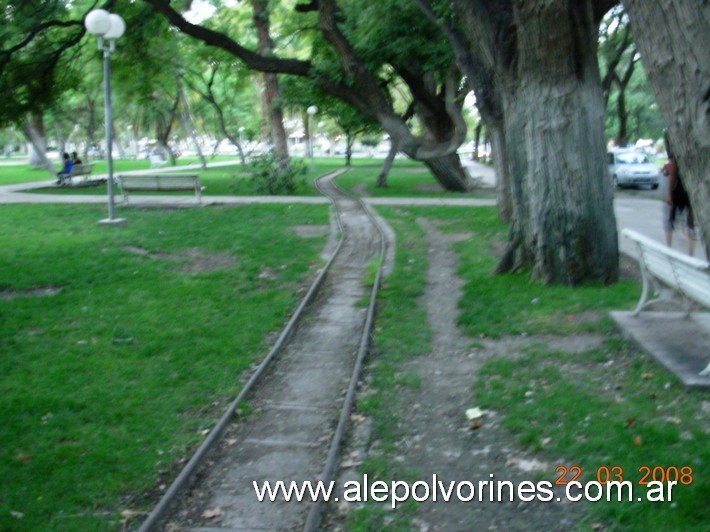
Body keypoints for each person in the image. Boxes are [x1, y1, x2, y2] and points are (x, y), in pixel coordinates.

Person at [663, 135, 695, 256]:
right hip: (690, 193)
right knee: (690, 224)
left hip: (677, 193)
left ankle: (669, 250)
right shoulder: (691, 158)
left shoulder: (675, 159)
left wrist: (669, 195)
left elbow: (671, 176)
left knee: (670, 222)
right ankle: (690, 254)